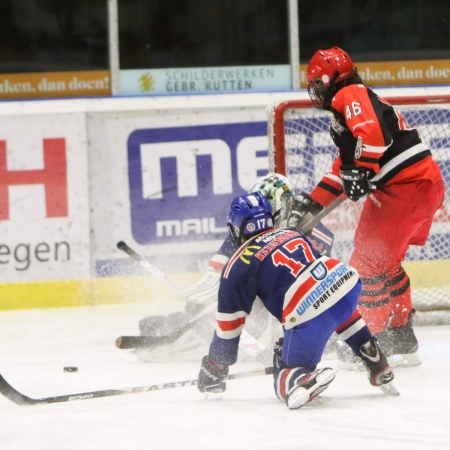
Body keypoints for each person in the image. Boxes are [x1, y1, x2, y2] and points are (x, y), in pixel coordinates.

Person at [288, 46, 445, 368]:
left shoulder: (351, 93)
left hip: (407, 188)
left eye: (317, 83)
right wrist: (312, 202)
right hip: (413, 187)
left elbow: (373, 139)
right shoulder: (344, 114)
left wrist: (362, 168)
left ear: (331, 79)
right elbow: (344, 167)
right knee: (383, 263)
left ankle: (367, 341)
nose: (315, 90)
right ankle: (401, 335)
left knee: (367, 263)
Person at [196, 192, 397, 409]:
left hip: (308, 310)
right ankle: (374, 358)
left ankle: (300, 378)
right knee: (336, 304)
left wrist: (215, 366)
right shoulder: (290, 233)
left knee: (283, 382)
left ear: (237, 228)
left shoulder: (237, 265)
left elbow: (229, 326)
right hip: (345, 282)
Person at [134, 173, 334, 364]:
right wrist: (213, 284)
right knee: (202, 307)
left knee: (249, 321)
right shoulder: (255, 223)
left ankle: (191, 339)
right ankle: (183, 327)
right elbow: (226, 257)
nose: (261, 215)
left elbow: (316, 280)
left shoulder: (317, 233)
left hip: (293, 300)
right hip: (262, 296)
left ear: (282, 205)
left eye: (268, 208)